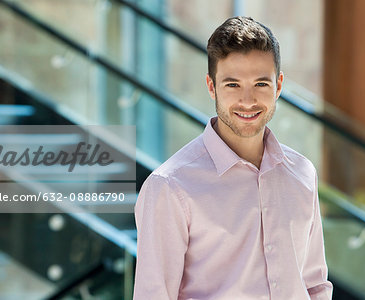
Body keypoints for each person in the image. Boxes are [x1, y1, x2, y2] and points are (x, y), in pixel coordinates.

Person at [133, 16, 333, 300]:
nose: (248, 100)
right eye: (233, 85)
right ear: (211, 86)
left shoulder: (302, 173)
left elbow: (314, 286)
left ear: (278, 86)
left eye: (261, 84)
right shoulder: (170, 186)